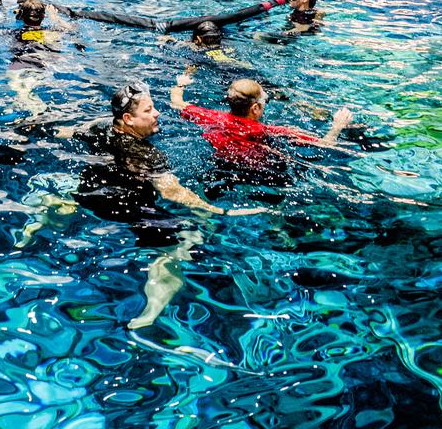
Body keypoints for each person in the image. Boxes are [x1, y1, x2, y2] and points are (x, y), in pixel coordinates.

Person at [71, 83, 266, 329]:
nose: (157, 113)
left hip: (87, 193)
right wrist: (222, 211)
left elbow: (67, 133)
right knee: (186, 238)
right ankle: (150, 314)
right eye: (149, 110)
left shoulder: (99, 129)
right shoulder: (149, 155)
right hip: (123, 207)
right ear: (128, 119)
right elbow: (172, 192)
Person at [171, 73, 353, 185]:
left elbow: (177, 102)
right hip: (258, 173)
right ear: (255, 109)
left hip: (218, 165)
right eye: (264, 101)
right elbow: (325, 144)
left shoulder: (211, 117)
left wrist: (181, 83)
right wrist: (337, 126)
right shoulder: (269, 131)